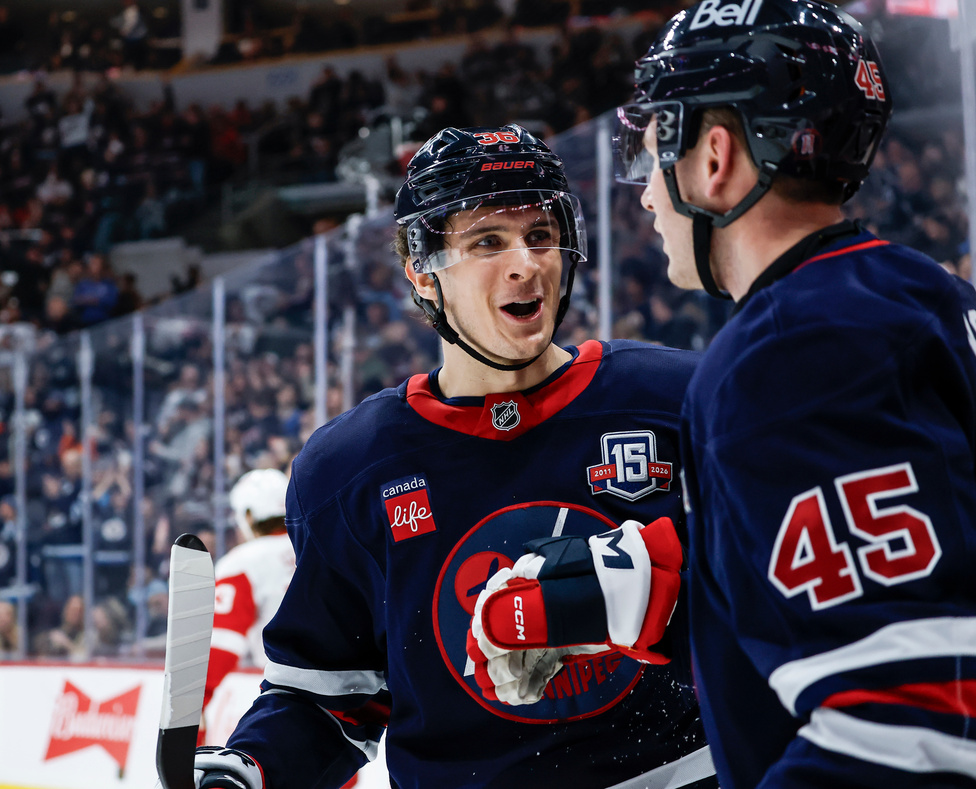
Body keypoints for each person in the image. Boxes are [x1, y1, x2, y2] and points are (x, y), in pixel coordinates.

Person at [474, 3, 976, 788]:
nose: (645, 195)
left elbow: (911, 725)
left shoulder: (791, 351)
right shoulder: (917, 290)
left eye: (654, 147)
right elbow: (930, 546)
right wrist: (650, 578)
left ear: (717, 157)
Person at [183, 124, 713, 789]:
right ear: (421, 271)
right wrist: (252, 769)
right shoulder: (349, 467)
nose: (526, 262)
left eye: (540, 235)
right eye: (488, 240)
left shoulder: (675, 397)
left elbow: (771, 593)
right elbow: (326, 696)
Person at [201, 469, 294, 716]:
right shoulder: (320, 547)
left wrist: (193, 708)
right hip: (355, 696)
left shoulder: (243, 562)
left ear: (249, 515)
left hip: (286, 698)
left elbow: (223, 646)